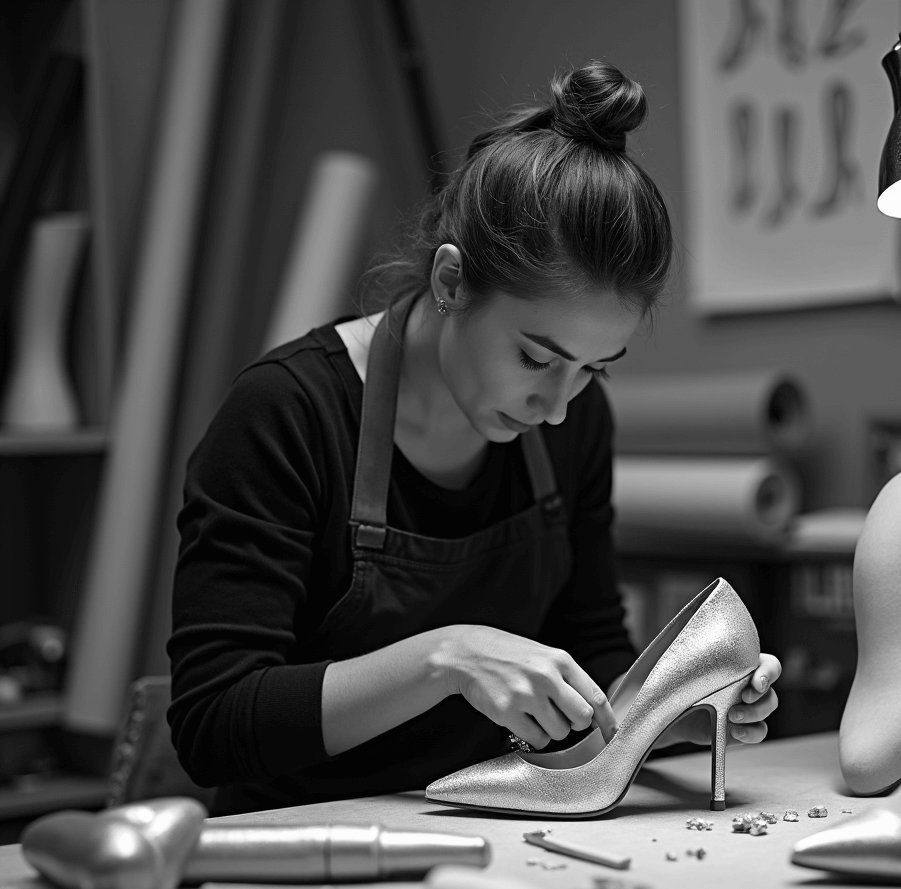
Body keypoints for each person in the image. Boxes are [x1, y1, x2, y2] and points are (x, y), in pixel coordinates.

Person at [168, 60, 781, 813]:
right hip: (297, 838)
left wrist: (675, 717)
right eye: (535, 357)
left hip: (491, 823)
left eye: (594, 368)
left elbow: (591, 649)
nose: (558, 407)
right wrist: (443, 657)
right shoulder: (287, 412)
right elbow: (212, 724)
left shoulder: (576, 419)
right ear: (451, 282)